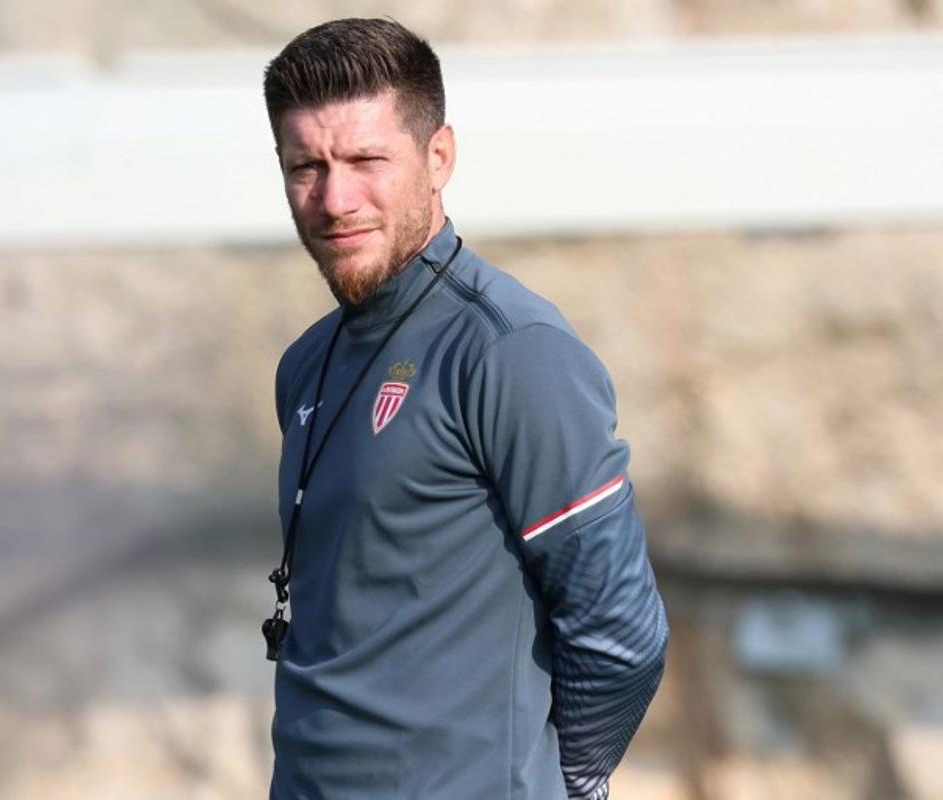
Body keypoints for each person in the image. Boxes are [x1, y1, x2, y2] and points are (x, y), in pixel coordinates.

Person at [261, 18, 668, 800]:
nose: (334, 198)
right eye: (305, 166)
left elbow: (622, 633)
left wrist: (564, 784)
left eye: (365, 160)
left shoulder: (512, 351)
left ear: (438, 157)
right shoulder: (305, 367)